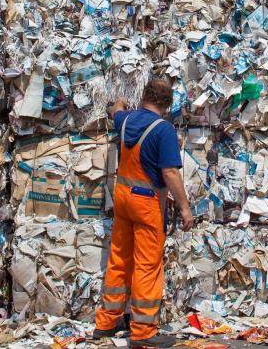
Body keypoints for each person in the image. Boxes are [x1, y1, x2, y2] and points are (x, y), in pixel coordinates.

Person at [92, 79, 194, 348]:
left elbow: (115, 109)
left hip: (122, 200)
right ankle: (143, 332)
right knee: (147, 265)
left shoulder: (124, 120)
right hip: (146, 203)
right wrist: (184, 207)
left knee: (119, 259)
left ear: (144, 96)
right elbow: (170, 173)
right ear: (167, 104)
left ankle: (105, 323)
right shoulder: (164, 130)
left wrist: (121, 104)